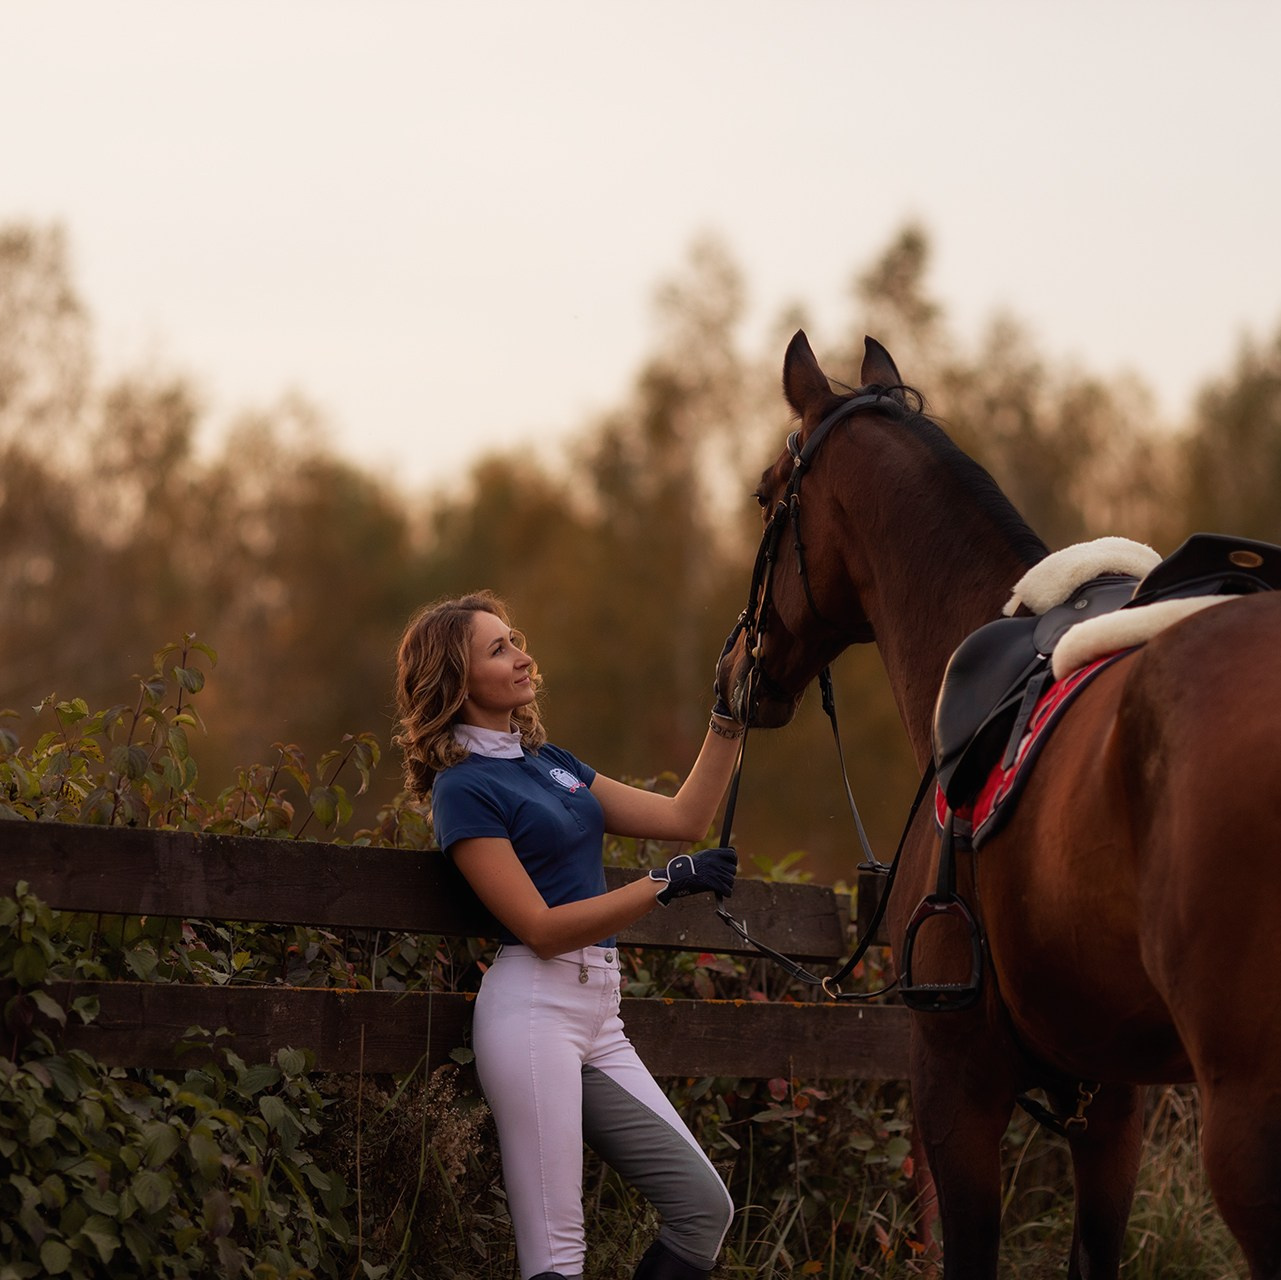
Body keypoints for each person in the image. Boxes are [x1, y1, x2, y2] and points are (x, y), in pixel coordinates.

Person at [394, 590, 743, 1280]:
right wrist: (661, 884)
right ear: (457, 680)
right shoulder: (462, 789)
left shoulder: (548, 762)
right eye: (499, 649)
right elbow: (541, 929)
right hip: (533, 1013)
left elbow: (686, 819)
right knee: (557, 1258)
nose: (523, 657)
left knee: (704, 1209)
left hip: (598, 1015)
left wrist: (727, 714)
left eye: (516, 641)